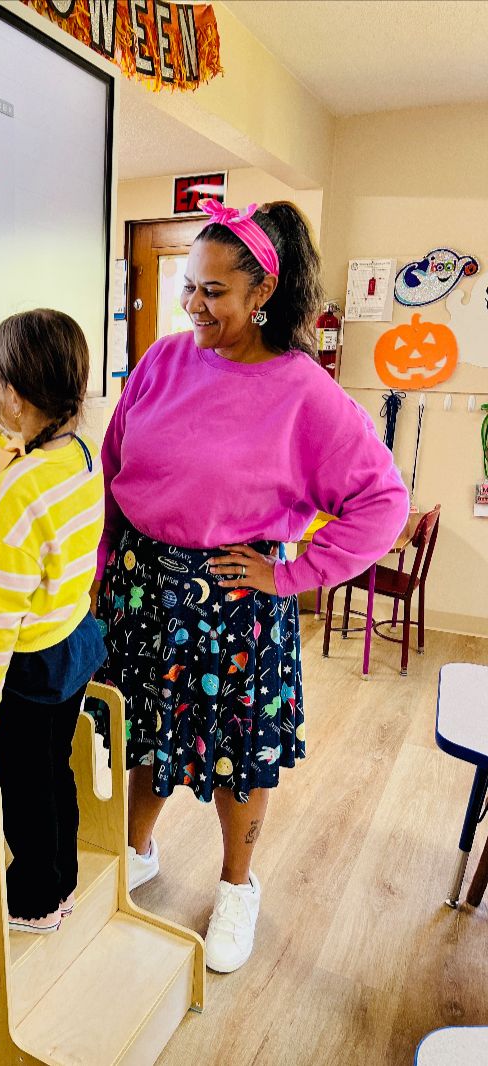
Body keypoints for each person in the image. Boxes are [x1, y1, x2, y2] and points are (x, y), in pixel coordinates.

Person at [89, 200, 409, 972]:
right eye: (189, 288)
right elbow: (117, 461)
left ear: (261, 292)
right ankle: (136, 849)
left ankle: (237, 887)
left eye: (214, 293)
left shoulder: (305, 393)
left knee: (237, 755)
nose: (193, 306)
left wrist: (293, 574)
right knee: (143, 731)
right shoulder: (164, 358)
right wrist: (104, 570)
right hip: (141, 586)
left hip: (233, 603)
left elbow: (382, 502)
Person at [0, 308, 107, 934]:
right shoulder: (80, 454)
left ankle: (34, 903)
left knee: (25, 790)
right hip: (72, 641)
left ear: (17, 399)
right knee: (55, 772)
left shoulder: (20, 487)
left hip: (29, 664)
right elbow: (33, 488)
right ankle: (62, 885)